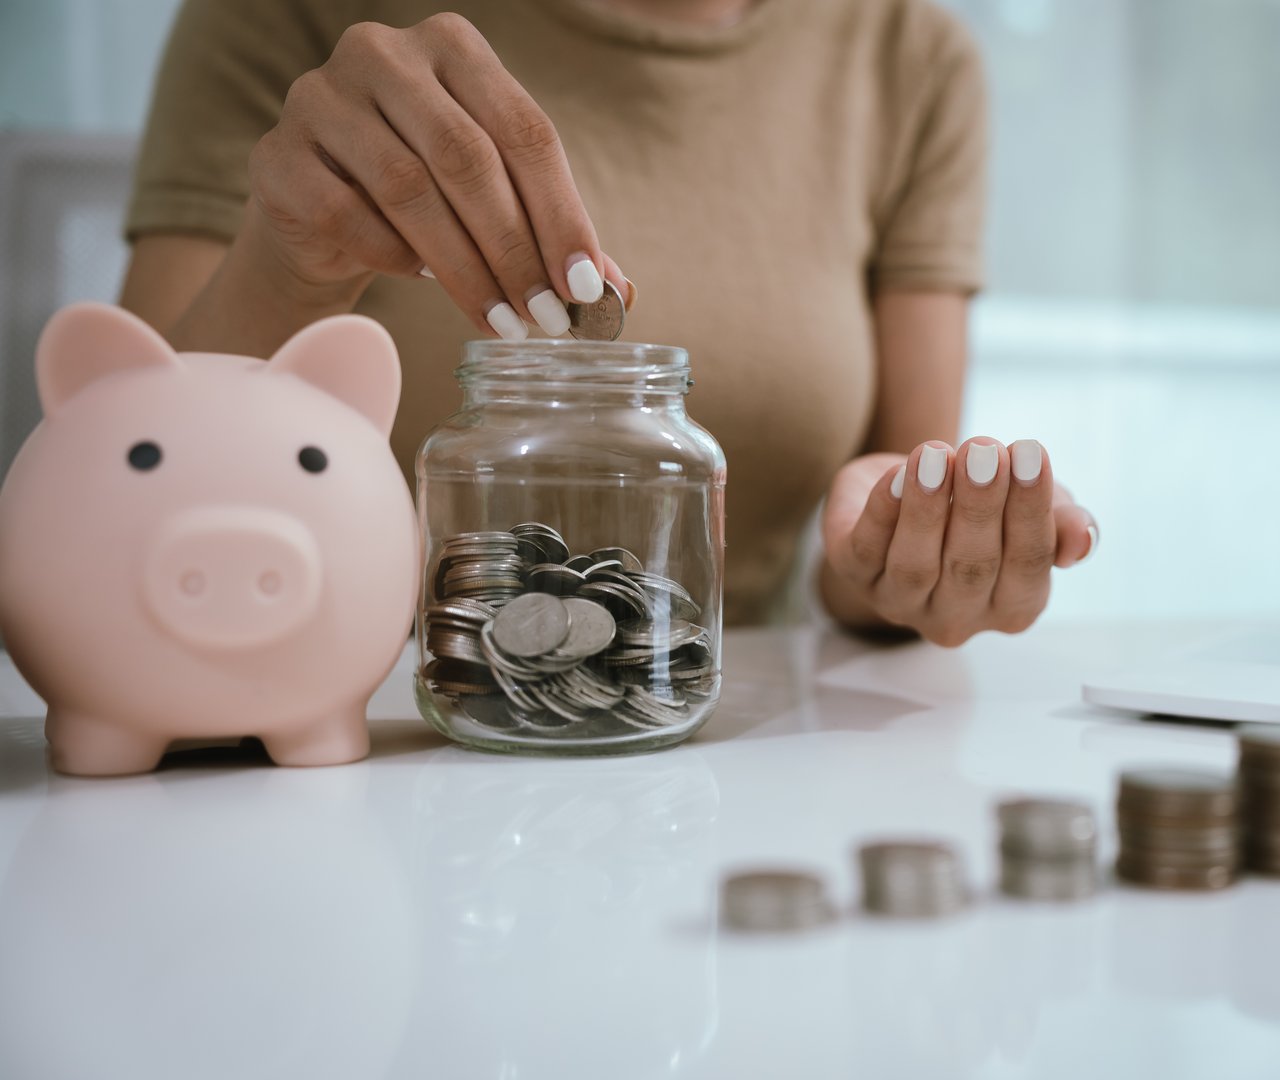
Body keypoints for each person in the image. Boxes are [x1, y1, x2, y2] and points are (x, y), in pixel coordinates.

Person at [119, 0, 1098, 644]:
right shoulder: (298, 22)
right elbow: (114, 505)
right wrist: (289, 267)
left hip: (719, 748)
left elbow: (878, 537)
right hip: (311, 721)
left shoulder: (909, 57)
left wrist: (908, 550)